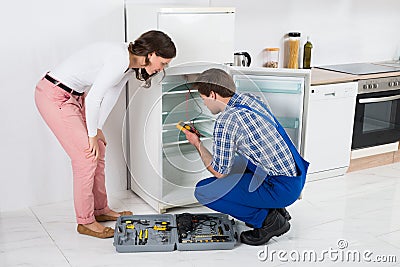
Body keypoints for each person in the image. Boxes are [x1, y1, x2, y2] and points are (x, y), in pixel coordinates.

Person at [35, 30, 176, 238]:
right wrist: (91, 133)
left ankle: (100, 210)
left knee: (98, 148)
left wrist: (97, 128)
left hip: (75, 97)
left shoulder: (130, 64)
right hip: (54, 95)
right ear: (152, 54)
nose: (162, 68)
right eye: (163, 63)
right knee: (85, 157)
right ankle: (85, 222)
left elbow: (111, 94)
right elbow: (95, 98)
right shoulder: (119, 57)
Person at [182, 68, 309, 246]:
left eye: (203, 99)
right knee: (236, 164)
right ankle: (277, 209)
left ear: (212, 94)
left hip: (280, 187)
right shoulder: (250, 99)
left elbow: (219, 172)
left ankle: (269, 221)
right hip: (295, 178)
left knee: (204, 191)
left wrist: (197, 144)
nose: (204, 104)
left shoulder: (226, 120)